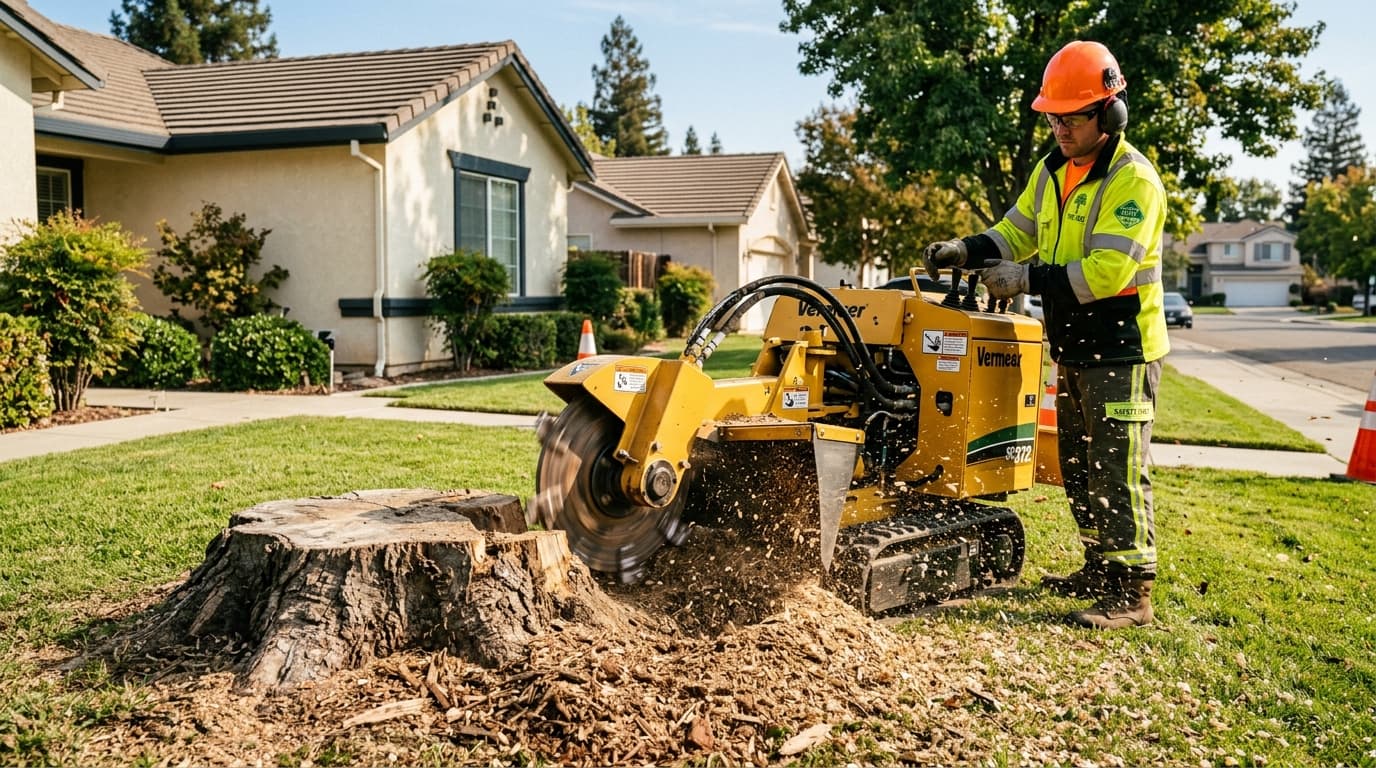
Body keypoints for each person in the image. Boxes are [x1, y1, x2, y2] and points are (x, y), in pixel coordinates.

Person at [922, 40, 1169, 630]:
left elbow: (1108, 273)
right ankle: (1098, 566)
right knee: (1079, 464)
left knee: (1116, 466)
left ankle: (1132, 591)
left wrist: (1026, 277)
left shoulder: (1134, 182)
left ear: (1108, 115)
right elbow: (1015, 231)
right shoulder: (1053, 169)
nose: (1058, 126)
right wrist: (966, 250)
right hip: (1076, 345)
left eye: (1072, 115)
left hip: (1122, 348)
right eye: (1052, 115)